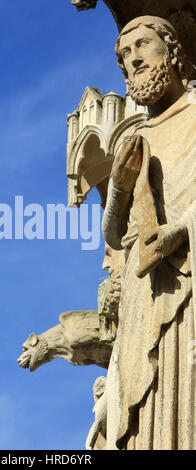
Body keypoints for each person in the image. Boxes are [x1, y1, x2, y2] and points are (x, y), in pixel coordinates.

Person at [102, 15, 196, 450]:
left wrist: (180, 229)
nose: (133, 60)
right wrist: (119, 186)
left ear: (172, 51)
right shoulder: (134, 136)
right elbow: (112, 235)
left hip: (188, 285)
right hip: (144, 299)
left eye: (142, 46)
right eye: (125, 55)